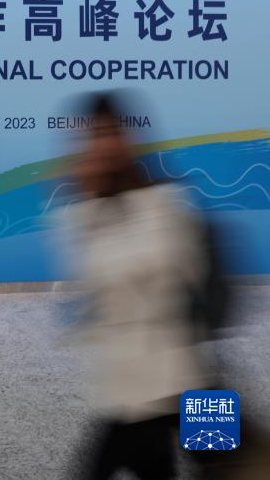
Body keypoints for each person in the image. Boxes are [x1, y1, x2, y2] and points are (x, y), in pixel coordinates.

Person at [59, 92, 215, 479]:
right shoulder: (83, 211)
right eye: (95, 137)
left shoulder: (164, 200)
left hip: (190, 372)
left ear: (128, 138)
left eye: (111, 133)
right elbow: (93, 278)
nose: (104, 146)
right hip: (130, 386)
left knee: (227, 465)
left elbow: (177, 265)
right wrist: (90, 203)